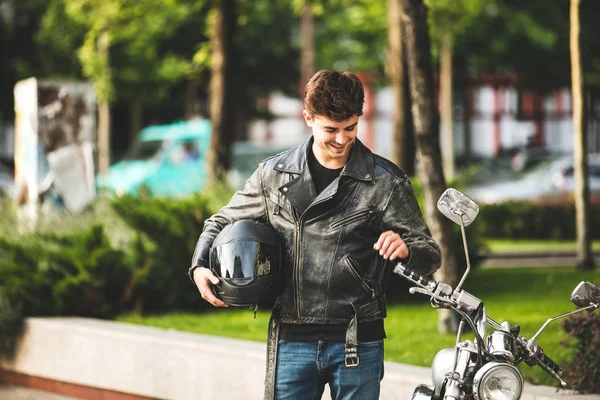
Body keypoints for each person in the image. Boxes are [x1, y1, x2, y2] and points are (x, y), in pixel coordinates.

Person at [189, 70, 441, 400]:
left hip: (357, 341)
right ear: (307, 117)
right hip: (291, 341)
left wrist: (406, 248)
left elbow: (430, 252)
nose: (341, 139)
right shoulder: (273, 175)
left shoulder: (384, 181)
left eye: (350, 128)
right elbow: (220, 222)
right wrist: (199, 266)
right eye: (330, 129)